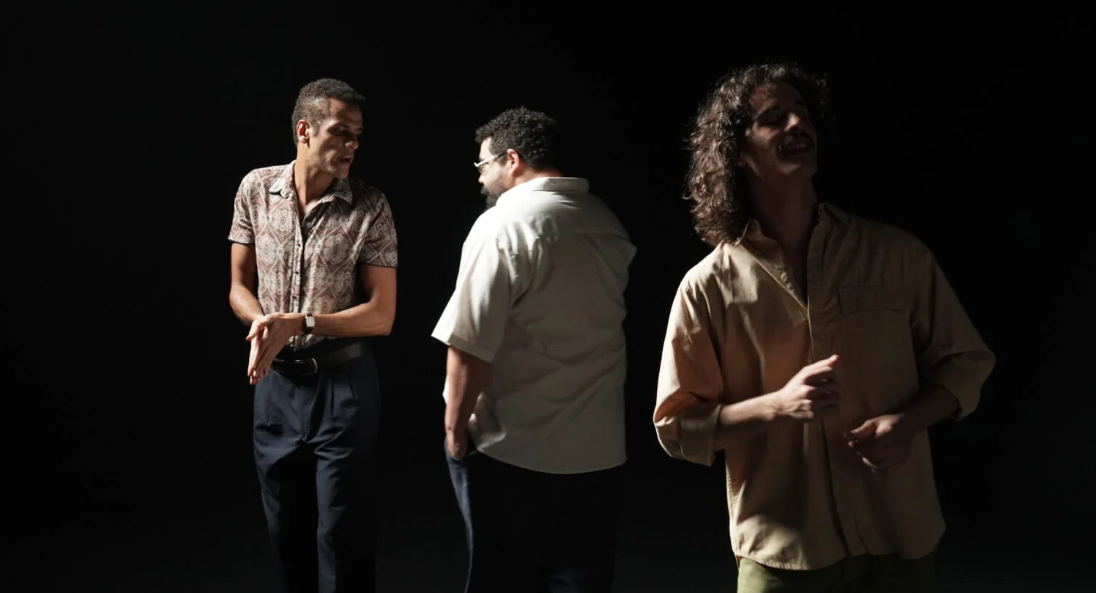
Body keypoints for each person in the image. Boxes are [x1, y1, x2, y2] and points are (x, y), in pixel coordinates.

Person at [653, 62, 995, 592]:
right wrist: (778, 405)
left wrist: (909, 423)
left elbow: (966, 361)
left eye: (802, 113)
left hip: (898, 533)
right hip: (784, 550)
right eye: (773, 117)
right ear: (736, 150)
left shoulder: (894, 254)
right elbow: (677, 427)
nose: (797, 124)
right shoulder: (707, 287)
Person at [432, 107, 636, 593]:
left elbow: (469, 345)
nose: (480, 177)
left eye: (483, 165)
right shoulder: (606, 223)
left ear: (512, 159)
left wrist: (455, 433)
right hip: (598, 454)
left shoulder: (502, 225)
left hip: (515, 453)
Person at [227, 78, 398, 593]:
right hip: (275, 389)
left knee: (343, 537)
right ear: (304, 130)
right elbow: (238, 286)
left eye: (357, 136)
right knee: (285, 530)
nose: (352, 145)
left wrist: (299, 322)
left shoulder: (370, 205)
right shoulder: (256, 189)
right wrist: (262, 323)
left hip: (343, 387)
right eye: (340, 132)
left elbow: (382, 315)